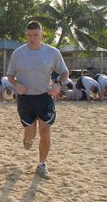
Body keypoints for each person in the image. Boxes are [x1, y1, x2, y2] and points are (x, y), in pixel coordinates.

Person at [7, 20, 69, 179]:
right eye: (29, 35)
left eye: (35, 35)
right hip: (25, 99)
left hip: (45, 97)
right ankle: (27, 139)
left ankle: (41, 165)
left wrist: (58, 85)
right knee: (31, 135)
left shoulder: (52, 52)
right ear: (26, 35)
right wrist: (16, 84)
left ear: (42, 34)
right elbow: (10, 75)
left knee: (45, 131)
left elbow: (64, 72)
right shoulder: (18, 53)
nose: (32, 38)